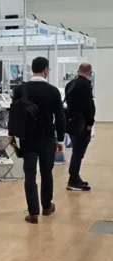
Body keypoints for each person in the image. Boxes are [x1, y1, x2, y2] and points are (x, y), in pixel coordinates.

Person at [13, 57, 66, 224]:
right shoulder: (53, 91)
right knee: (46, 172)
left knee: (29, 174)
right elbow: (60, 117)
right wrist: (60, 139)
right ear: (45, 70)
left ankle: (33, 213)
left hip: (27, 138)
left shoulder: (21, 90)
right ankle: (47, 206)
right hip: (47, 137)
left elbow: (15, 114)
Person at [65, 62, 95, 191]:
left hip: (72, 122)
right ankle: (73, 179)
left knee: (77, 151)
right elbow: (87, 106)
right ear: (90, 72)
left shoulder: (71, 84)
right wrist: (90, 123)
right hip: (81, 123)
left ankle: (75, 177)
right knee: (78, 152)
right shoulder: (85, 85)